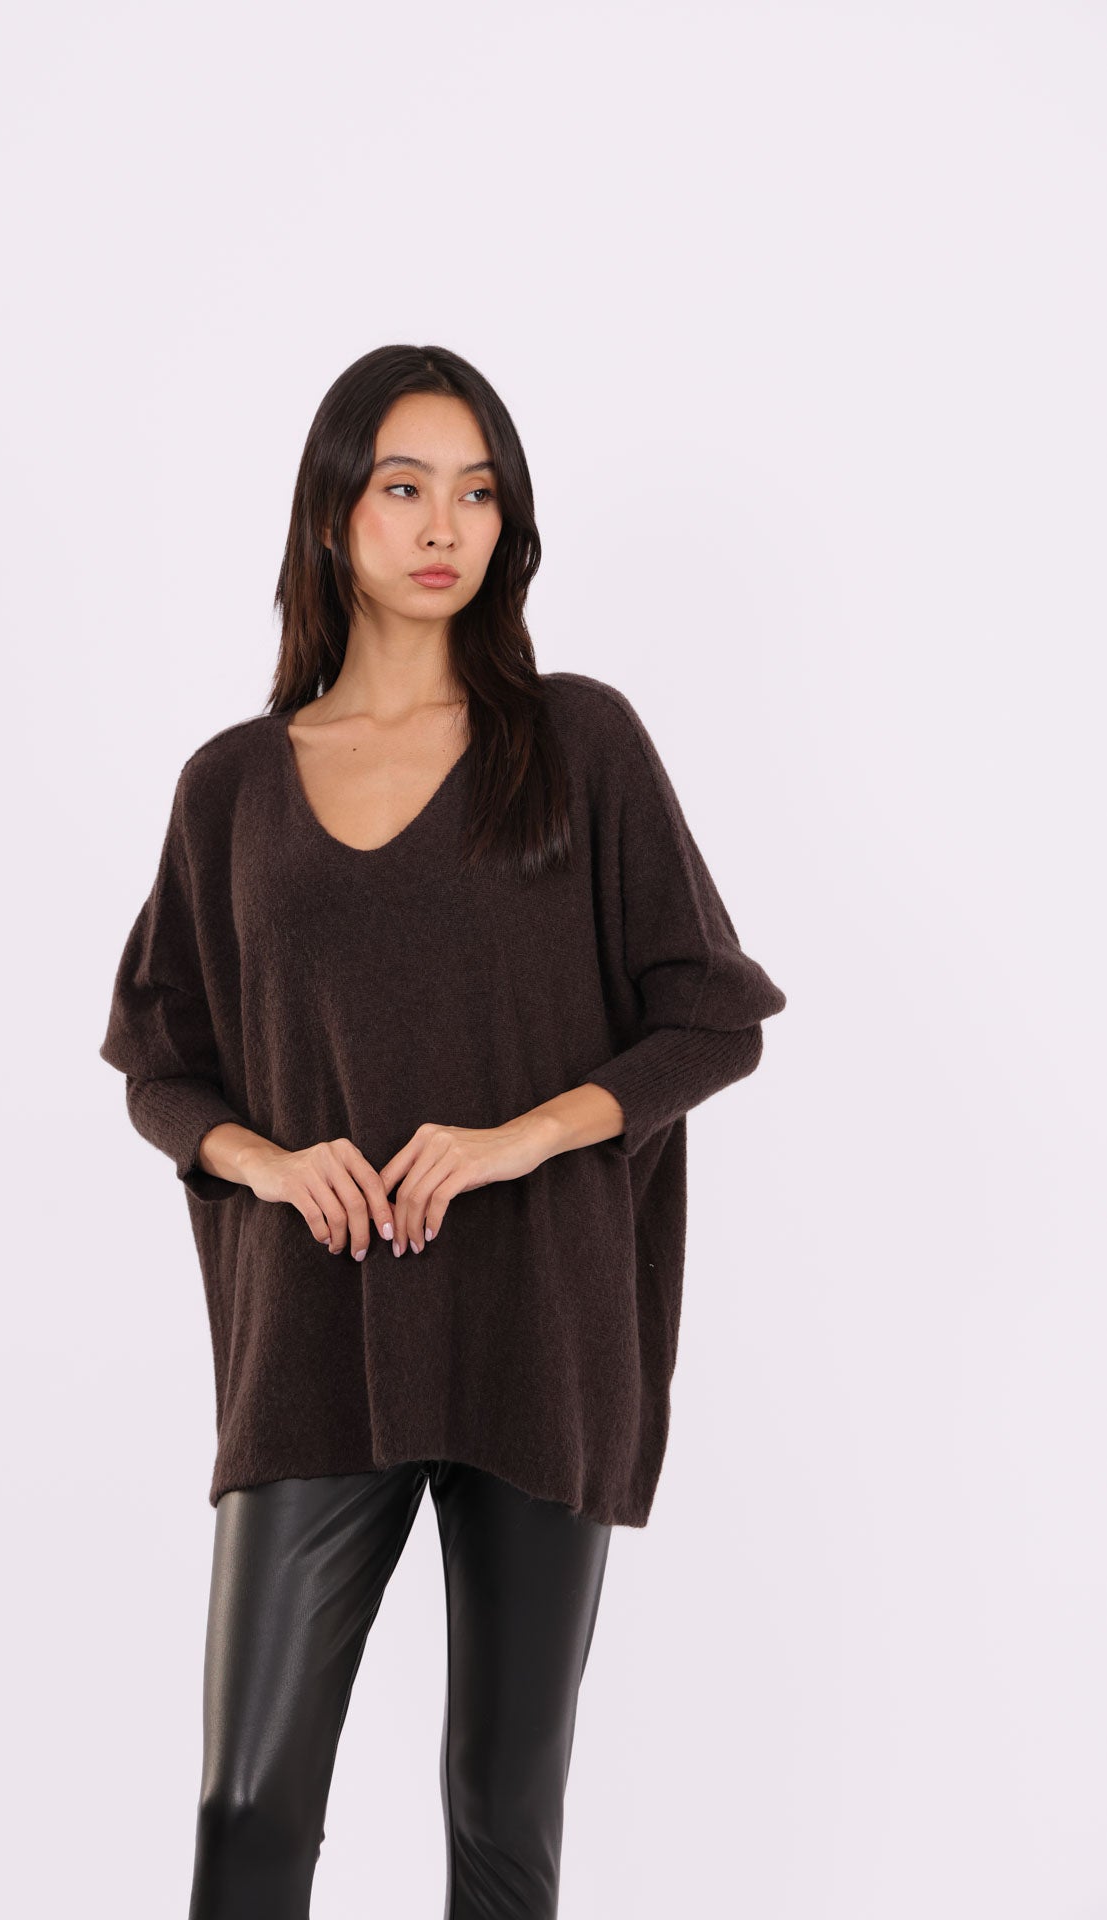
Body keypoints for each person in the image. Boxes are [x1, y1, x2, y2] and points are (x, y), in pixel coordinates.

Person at [98, 343, 787, 1919]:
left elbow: (711, 1017)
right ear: (331, 513)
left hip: (536, 1328)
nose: (440, 525)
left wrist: (517, 1138)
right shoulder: (231, 788)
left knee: (499, 1817)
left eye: (475, 493)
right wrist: (270, 1163)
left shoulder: (579, 743)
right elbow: (159, 1060)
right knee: (248, 1808)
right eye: (403, 486)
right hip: (315, 1342)